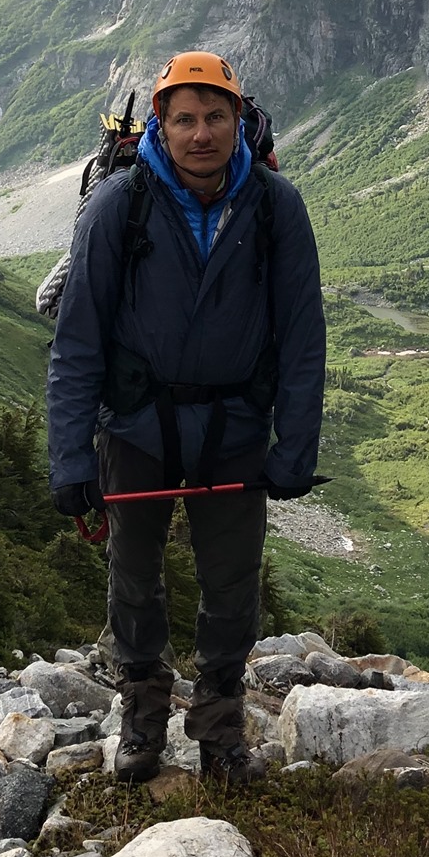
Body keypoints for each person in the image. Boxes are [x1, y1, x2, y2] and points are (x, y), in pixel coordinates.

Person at [47, 51, 325, 784]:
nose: (201, 134)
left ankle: (220, 726)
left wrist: (294, 447)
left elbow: (302, 334)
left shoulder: (275, 206)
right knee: (133, 574)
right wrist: (71, 459)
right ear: (160, 129)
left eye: (215, 117)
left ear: (240, 121)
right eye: (184, 120)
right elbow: (77, 341)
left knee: (231, 581)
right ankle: (143, 714)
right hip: (135, 423)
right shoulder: (119, 206)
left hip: (234, 427)